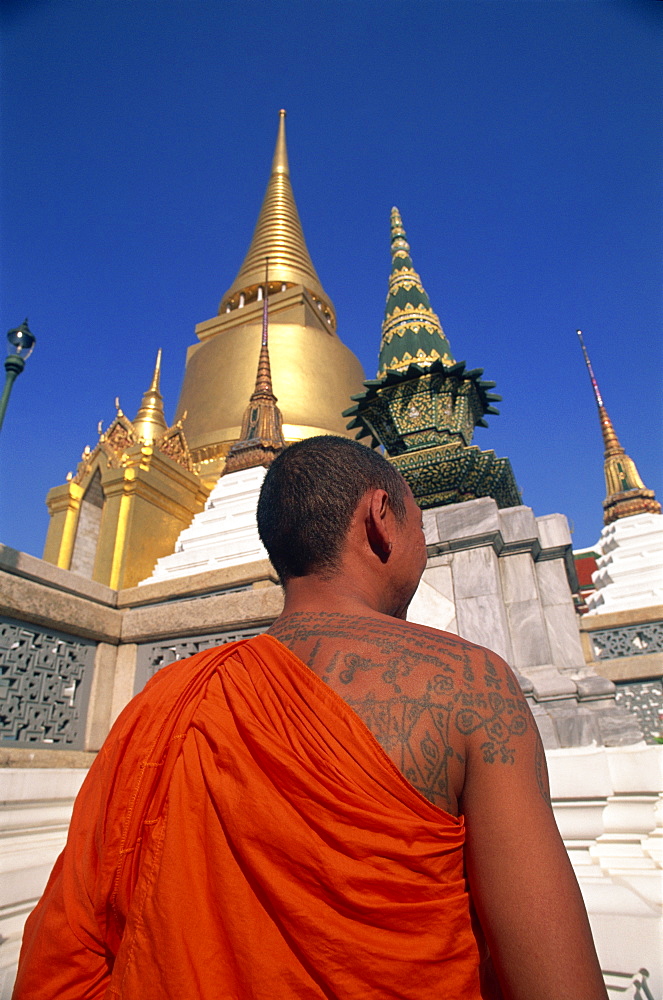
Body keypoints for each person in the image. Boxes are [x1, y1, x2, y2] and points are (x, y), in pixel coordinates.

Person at [14, 435, 607, 1000]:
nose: (424, 550)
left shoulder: (168, 697)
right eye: (419, 526)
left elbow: (75, 941)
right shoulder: (471, 686)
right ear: (380, 519)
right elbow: (557, 982)